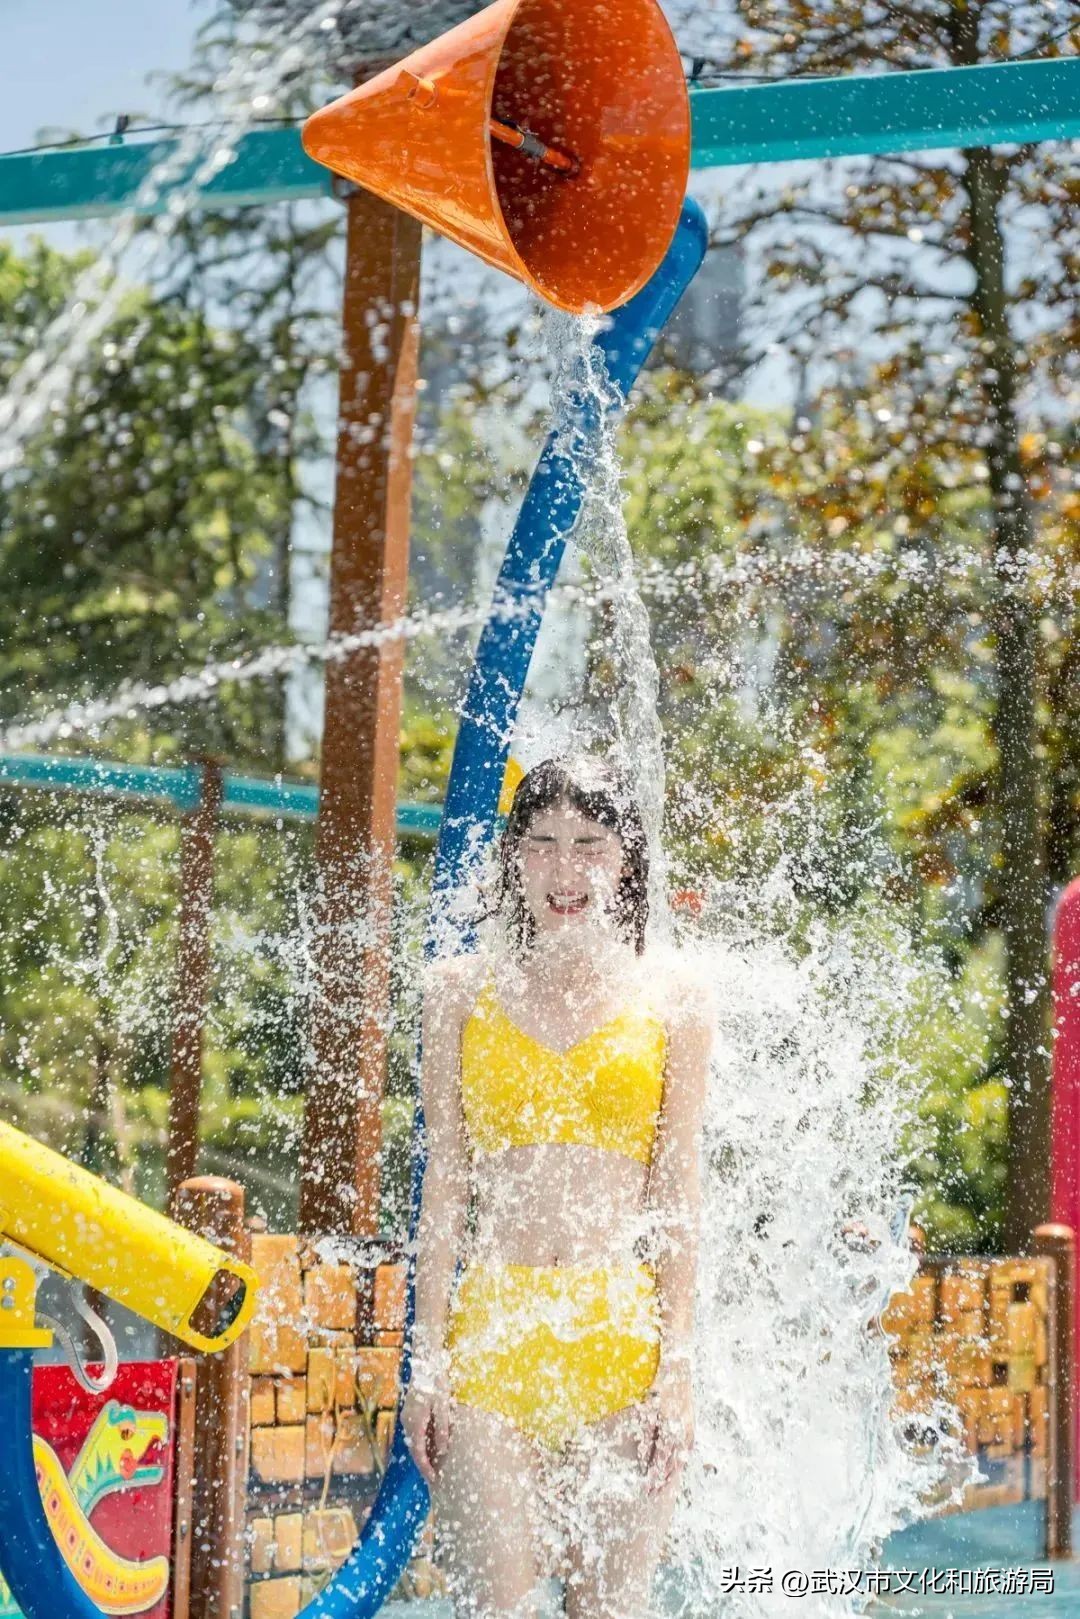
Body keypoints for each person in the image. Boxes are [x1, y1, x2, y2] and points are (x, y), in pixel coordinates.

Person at [400, 756, 715, 1619]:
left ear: (628, 858)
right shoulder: (456, 993)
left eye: (589, 843)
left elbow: (679, 1197)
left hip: (622, 1345)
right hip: (492, 1340)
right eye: (540, 845)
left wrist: (678, 1376)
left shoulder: (677, 999)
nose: (565, 870)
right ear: (512, 859)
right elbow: (445, 1189)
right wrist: (425, 1365)